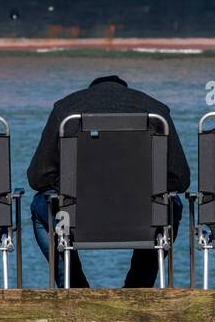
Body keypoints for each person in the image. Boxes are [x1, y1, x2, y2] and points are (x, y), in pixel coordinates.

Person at [27, 76, 190, 288]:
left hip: (77, 217)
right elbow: (180, 179)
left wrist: (69, 188)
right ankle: (137, 289)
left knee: (40, 208)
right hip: (143, 217)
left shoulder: (65, 110)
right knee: (171, 207)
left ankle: (75, 289)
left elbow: (38, 177)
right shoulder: (157, 111)